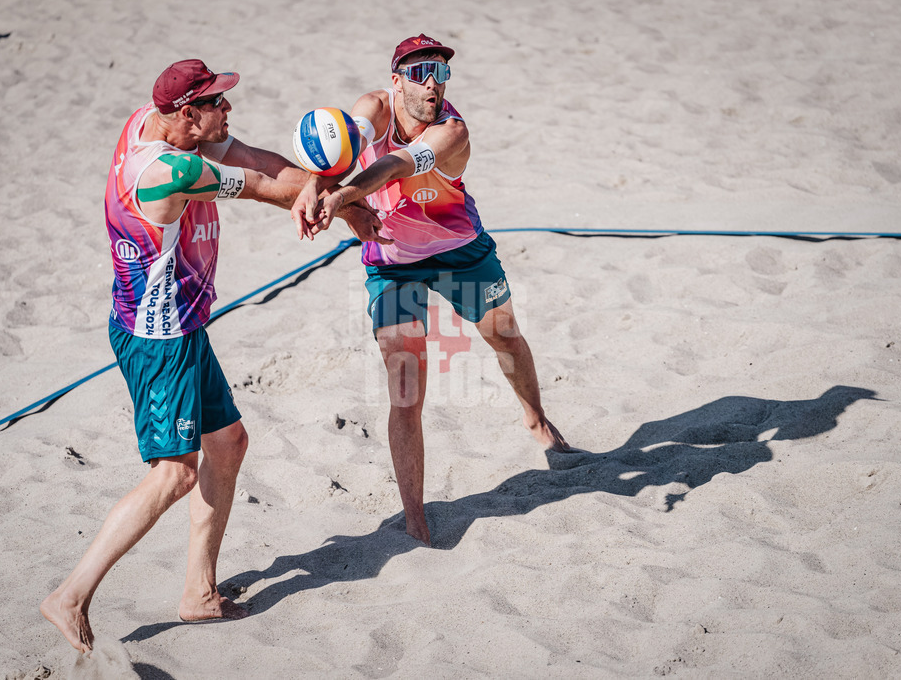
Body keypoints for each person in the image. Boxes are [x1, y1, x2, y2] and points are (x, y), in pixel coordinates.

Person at [40, 59, 384, 654]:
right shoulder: (171, 170)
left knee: (228, 443)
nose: (227, 109)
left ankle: (199, 592)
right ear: (186, 113)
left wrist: (323, 184)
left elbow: (254, 158)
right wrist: (345, 204)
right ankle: (69, 596)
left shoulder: (151, 121)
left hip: (180, 325)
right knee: (174, 473)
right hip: (158, 339)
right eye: (216, 102)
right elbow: (262, 187)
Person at [292, 35, 569, 546]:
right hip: (394, 263)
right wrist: (314, 183)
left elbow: (395, 165)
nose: (433, 84)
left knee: (505, 336)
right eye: (421, 73)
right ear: (396, 80)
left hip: (459, 250)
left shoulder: (452, 131)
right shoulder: (373, 108)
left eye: (441, 73)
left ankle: (536, 420)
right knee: (406, 387)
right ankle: (414, 515)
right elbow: (340, 147)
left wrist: (343, 196)